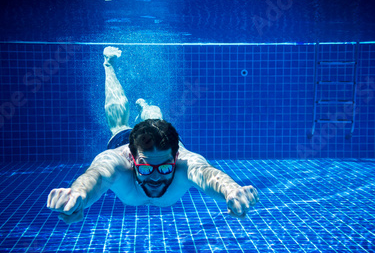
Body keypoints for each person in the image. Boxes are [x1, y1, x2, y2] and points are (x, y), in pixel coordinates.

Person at [47, 47, 259, 224]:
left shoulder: (185, 163)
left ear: (175, 158)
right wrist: (77, 196)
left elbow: (206, 173)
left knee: (156, 119)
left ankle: (146, 108)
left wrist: (231, 191)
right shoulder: (117, 162)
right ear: (132, 159)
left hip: (159, 143)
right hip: (129, 142)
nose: (156, 177)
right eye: (146, 168)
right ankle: (108, 65)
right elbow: (96, 175)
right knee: (118, 124)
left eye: (166, 167)